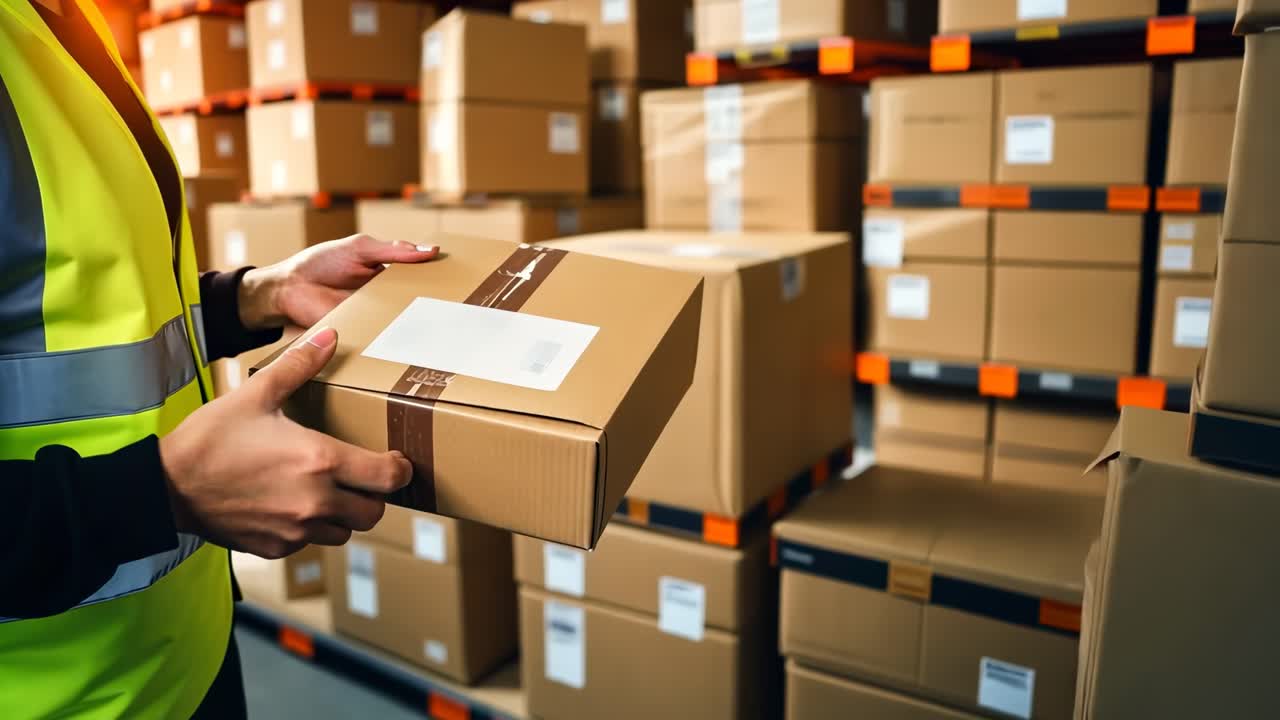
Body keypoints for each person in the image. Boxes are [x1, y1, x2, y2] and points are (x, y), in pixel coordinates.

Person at [0, 1, 436, 716]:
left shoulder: (63, 24)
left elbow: (96, 327)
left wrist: (258, 295)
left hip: (185, 658)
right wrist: (159, 493)